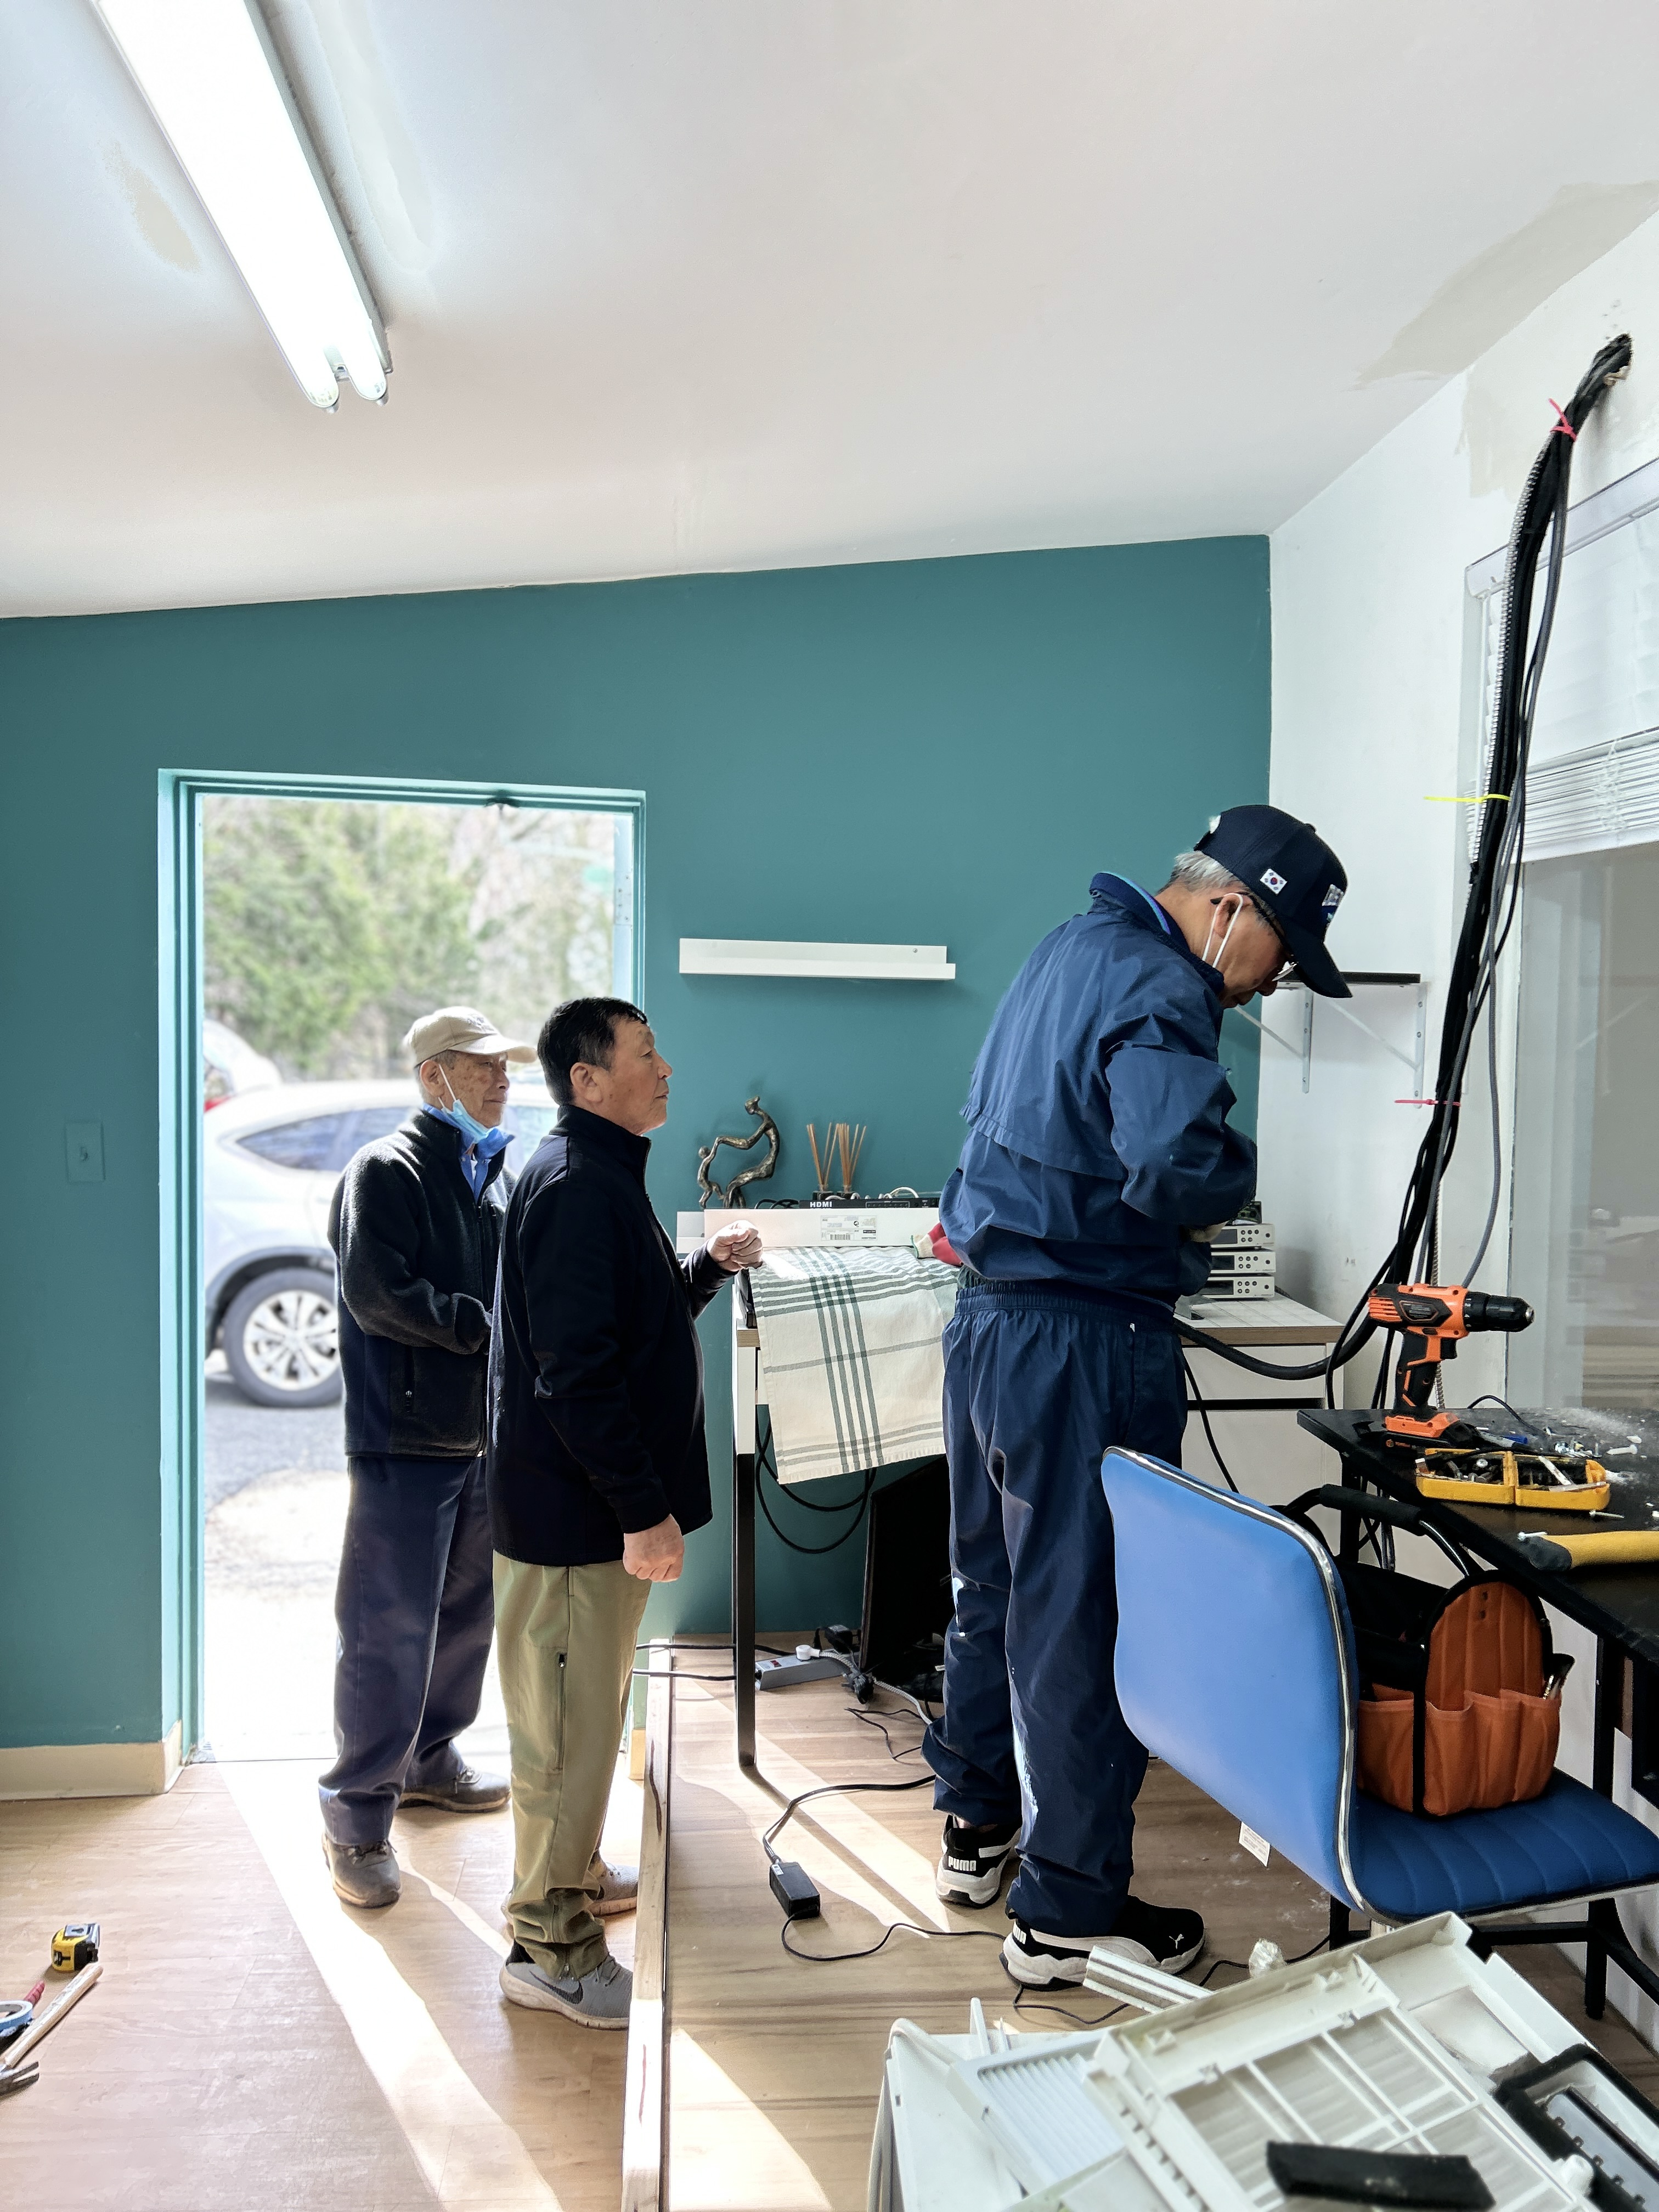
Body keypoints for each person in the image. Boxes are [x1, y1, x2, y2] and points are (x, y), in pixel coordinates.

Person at [923, 805, 1352, 1988]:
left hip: (987, 1321)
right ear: (1231, 909)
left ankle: (976, 1829)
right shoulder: (1168, 986)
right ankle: (1067, 1915)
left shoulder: (1068, 948)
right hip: (1082, 1340)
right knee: (1081, 1615)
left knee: (990, 1587)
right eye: (1280, 956)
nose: (1269, 987)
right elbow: (1175, 1163)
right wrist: (1235, 1173)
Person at [487, 997, 762, 2028]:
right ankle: (548, 1950)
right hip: (575, 1524)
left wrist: (705, 1270)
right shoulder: (574, 1185)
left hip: (587, 1517)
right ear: (588, 1080)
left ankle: (577, 1875)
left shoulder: (602, 1174)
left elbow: (626, 1323)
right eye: (646, 1055)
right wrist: (642, 1512)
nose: (666, 1069)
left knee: (586, 1721)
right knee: (562, 1739)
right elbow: (576, 1374)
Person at [318, 1006, 537, 1908]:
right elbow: (376, 1292)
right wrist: (483, 1328)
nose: (500, 1079)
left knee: (465, 1621)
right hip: (403, 1443)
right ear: (432, 1077)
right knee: (386, 1631)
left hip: (478, 1440)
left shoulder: (488, 1178)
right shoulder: (386, 1169)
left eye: (504, 1066)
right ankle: (356, 1818)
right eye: (480, 1065)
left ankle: (429, 1760)